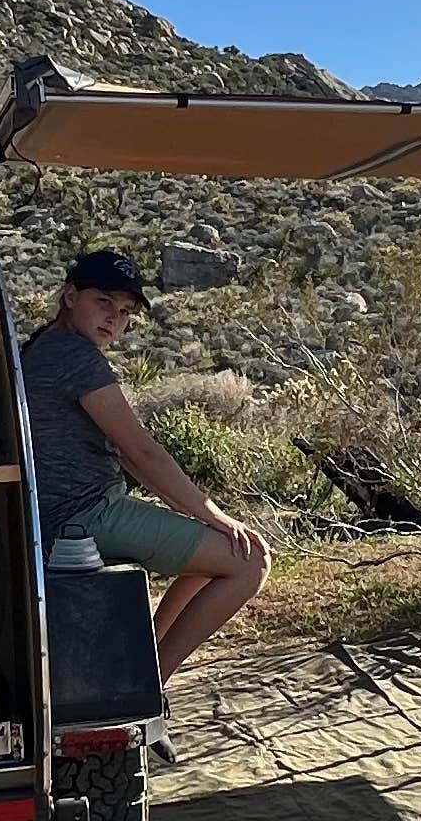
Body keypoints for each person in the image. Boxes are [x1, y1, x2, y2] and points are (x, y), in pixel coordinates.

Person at [23, 248, 269, 678]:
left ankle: (144, 661)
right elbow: (143, 451)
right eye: (103, 302)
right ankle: (153, 683)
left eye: (124, 312)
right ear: (69, 296)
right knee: (250, 560)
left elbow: (127, 454)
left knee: (208, 555)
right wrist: (216, 515)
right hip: (86, 515)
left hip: (73, 512)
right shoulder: (74, 358)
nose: (113, 319)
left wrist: (194, 512)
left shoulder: (47, 347)